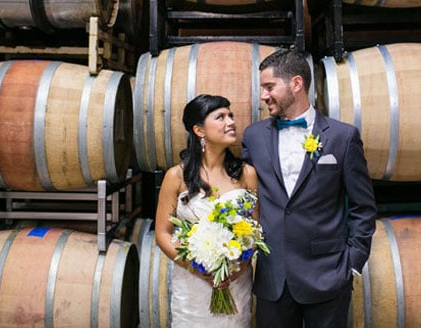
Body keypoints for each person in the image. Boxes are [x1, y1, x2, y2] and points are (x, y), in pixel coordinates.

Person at [242, 48, 377, 328]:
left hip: (328, 276)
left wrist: (352, 262)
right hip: (272, 279)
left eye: (269, 87)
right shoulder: (253, 137)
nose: (263, 96)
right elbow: (244, 195)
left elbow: (363, 207)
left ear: (296, 84)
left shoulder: (342, 137)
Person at [155, 94, 259, 327]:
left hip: (235, 282)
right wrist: (197, 266)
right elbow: (162, 233)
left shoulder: (247, 174)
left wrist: (238, 266)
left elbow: (255, 230)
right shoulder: (176, 177)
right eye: (220, 117)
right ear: (199, 131)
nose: (231, 121)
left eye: (231, 116)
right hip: (192, 285)